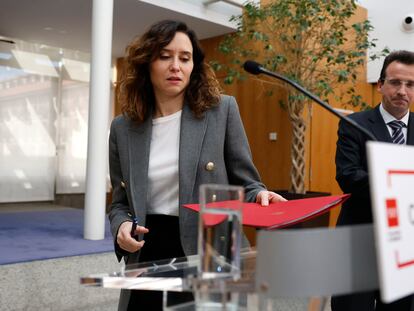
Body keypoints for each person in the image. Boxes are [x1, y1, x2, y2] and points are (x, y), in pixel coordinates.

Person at [108, 19, 286, 311]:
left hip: (210, 245)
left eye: (185, 58)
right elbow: (119, 203)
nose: (176, 65)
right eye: (165, 56)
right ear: (146, 63)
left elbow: (248, 181)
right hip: (149, 251)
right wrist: (121, 227)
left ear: (194, 66)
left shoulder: (221, 111)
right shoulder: (123, 128)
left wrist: (259, 195)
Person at [332, 50, 414, 311]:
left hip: (405, 249)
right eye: (395, 82)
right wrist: (401, 185)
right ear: (380, 85)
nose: (403, 91)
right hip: (360, 241)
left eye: (410, 84)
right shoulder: (353, 124)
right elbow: (348, 176)